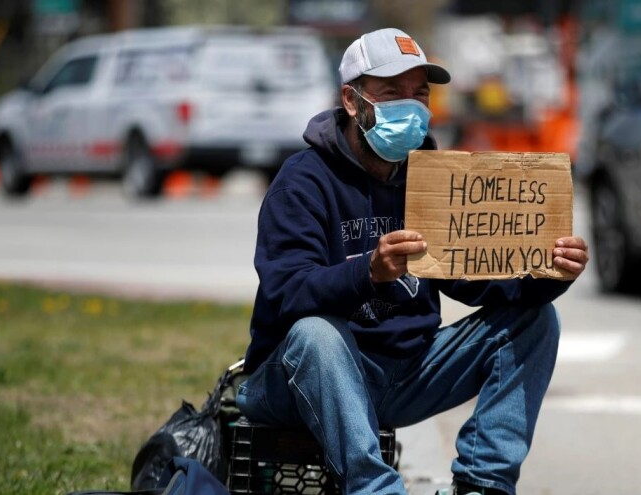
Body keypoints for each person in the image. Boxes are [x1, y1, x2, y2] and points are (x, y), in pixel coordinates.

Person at [236, 27, 590, 495]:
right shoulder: (302, 182)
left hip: (404, 374)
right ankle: (375, 490)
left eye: (419, 93)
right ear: (351, 100)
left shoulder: (430, 176)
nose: (412, 105)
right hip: (298, 382)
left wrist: (549, 272)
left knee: (537, 320)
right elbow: (286, 293)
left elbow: (474, 279)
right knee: (316, 333)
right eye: (392, 92)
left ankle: (482, 483)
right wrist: (369, 272)